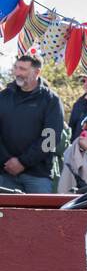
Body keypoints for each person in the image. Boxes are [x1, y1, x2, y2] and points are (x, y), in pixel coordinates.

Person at [0, 54, 64, 194]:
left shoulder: (51, 100)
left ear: (36, 72)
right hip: (5, 174)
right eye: (16, 68)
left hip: (38, 175)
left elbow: (50, 138)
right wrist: (7, 160)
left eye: (22, 69)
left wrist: (23, 162)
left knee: (39, 215)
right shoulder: (3, 97)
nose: (17, 73)